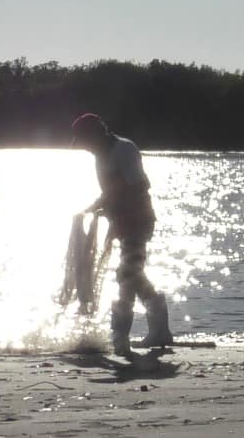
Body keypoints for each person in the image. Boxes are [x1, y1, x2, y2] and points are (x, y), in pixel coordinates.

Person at [71, 113, 172, 354]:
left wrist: (112, 203)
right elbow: (108, 192)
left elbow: (140, 185)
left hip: (138, 220)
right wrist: (92, 209)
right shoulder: (99, 156)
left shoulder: (124, 149)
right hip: (121, 223)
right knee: (134, 275)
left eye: (85, 142)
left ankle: (120, 336)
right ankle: (159, 329)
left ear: (96, 135)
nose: (85, 148)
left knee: (126, 275)